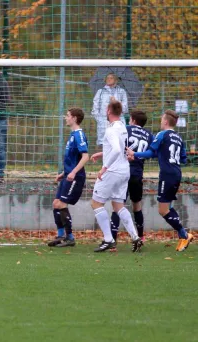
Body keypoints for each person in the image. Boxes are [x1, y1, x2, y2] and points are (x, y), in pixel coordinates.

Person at [127, 110, 193, 252]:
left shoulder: (162, 134)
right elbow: (183, 159)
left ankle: (184, 234)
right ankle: (183, 235)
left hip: (167, 174)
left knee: (163, 210)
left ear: (165, 121)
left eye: (161, 119)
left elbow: (151, 152)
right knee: (166, 208)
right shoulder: (179, 138)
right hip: (176, 172)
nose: (160, 121)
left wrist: (135, 154)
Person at [90, 100, 141, 253]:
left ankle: (108, 239)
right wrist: (102, 153)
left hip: (112, 171)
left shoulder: (111, 129)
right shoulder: (122, 127)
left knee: (96, 203)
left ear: (109, 111)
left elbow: (117, 150)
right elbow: (118, 148)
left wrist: (104, 167)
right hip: (124, 170)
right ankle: (135, 237)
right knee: (118, 205)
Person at [108, 110, 153, 243]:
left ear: (132, 120)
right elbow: (151, 153)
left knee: (117, 204)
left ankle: (112, 239)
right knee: (137, 206)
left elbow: (117, 146)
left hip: (123, 171)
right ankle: (140, 236)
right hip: (137, 174)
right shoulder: (149, 135)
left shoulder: (126, 129)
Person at [47, 108, 89, 248]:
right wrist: (65, 173)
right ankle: (60, 236)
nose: (66, 118)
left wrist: (73, 173)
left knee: (61, 204)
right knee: (55, 204)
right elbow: (73, 158)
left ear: (75, 118)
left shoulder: (79, 135)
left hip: (75, 177)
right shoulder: (72, 135)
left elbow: (85, 156)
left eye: (68, 116)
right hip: (68, 175)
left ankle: (70, 238)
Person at [91, 73, 128, 146]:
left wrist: (116, 102)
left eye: (111, 78)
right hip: (103, 123)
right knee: (105, 145)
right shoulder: (100, 92)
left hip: (118, 123)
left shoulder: (121, 92)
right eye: (107, 78)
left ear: (116, 80)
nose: (109, 79)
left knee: (118, 144)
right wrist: (100, 120)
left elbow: (125, 109)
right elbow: (95, 108)